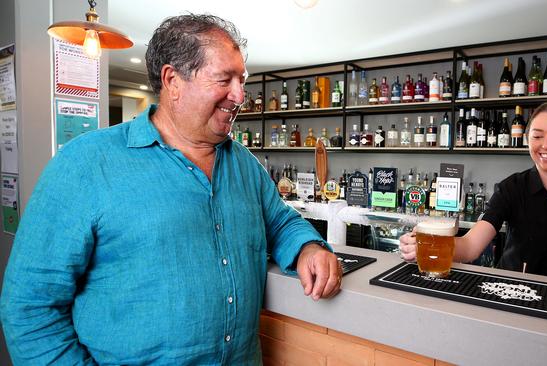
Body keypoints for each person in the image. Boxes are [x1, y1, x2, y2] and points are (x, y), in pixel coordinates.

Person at [1, 14, 341, 365]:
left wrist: (308, 247)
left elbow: (281, 221)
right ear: (172, 81)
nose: (240, 95)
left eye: (242, 80)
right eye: (225, 79)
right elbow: (30, 308)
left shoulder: (245, 164)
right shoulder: (86, 164)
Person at [400, 101, 547, 286]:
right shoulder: (512, 188)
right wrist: (427, 245)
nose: (546, 145)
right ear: (527, 139)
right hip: (513, 293)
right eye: (537, 136)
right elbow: (471, 247)